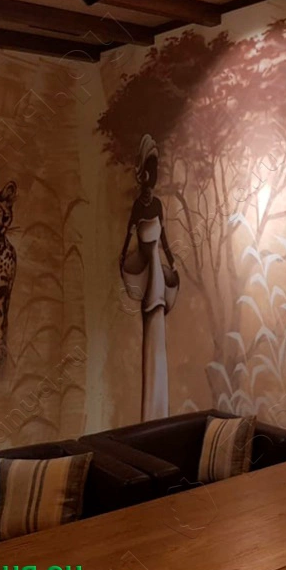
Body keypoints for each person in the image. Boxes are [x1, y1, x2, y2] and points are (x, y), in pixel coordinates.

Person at [120, 134, 179, 421]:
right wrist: (122, 259)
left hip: (157, 268)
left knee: (158, 326)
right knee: (151, 327)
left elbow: (164, 237)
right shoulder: (139, 207)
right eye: (149, 172)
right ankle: (151, 412)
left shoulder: (156, 206)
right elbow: (129, 236)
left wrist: (173, 262)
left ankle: (160, 409)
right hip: (148, 273)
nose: (151, 179)